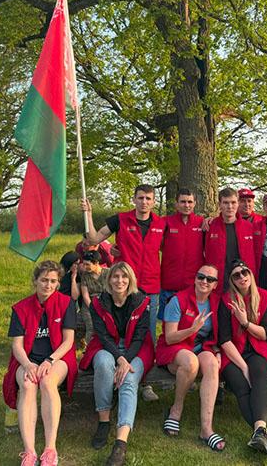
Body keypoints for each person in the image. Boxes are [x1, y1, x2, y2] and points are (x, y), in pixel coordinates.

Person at [82, 184, 166, 401]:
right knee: (118, 331)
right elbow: (94, 239)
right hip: (122, 286)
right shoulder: (119, 220)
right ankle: (114, 374)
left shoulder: (161, 223)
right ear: (134, 199)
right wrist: (88, 214)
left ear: (153, 201)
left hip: (150, 287)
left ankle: (144, 383)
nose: (144, 202)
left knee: (146, 336)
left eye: (148, 198)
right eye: (141, 198)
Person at [2, 260, 78, 466]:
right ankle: (29, 451)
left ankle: (50, 449)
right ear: (35, 281)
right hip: (28, 359)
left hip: (57, 357)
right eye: (44, 280)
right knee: (28, 385)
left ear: (58, 283)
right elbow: (17, 345)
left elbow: (68, 341)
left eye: (53, 281)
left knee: (47, 381)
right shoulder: (21, 308)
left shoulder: (66, 303)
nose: (48, 285)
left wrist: (49, 360)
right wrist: (28, 365)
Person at [79, 262, 154, 466]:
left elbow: (140, 336)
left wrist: (125, 360)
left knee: (128, 378)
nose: (120, 281)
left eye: (124, 276)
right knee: (104, 364)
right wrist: (119, 359)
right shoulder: (98, 303)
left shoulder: (142, 301)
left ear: (130, 280)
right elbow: (102, 336)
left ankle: (120, 443)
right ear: (108, 279)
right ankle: (104, 421)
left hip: (136, 348)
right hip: (107, 344)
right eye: (115, 276)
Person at [155, 265, 226, 451]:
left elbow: (217, 334)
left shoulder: (216, 302)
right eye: (201, 277)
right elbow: (170, 337)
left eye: (210, 279)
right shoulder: (177, 300)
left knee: (212, 364)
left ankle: (206, 429)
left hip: (200, 347)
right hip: (174, 348)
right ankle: (176, 409)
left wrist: (217, 350)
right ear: (195, 279)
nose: (204, 281)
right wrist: (192, 329)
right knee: (191, 363)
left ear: (215, 285)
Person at [218, 260, 267, 458]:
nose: (242, 277)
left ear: (251, 274)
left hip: (257, 349)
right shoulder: (226, 300)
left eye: (245, 272)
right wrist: (243, 367)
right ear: (232, 280)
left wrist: (245, 322)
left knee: (260, 375)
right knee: (241, 385)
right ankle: (265, 434)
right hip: (233, 353)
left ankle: (260, 431)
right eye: (236, 275)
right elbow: (224, 339)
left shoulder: (264, 297)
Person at [159, 188, 205, 324]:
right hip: (169, 284)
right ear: (176, 204)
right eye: (183, 202)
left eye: (190, 202)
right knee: (168, 324)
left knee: (190, 324)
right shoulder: (165, 222)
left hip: (193, 285)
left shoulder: (202, 223)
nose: (186, 205)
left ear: (195, 203)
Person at [204, 187, 257, 293]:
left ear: (238, 203)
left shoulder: (249, 227)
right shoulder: (210, 226)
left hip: (242, 283)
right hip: (218, 284)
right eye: (226, 203)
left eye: (233, 202)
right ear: (219, 204)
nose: (230, 206)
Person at [79, 251, 108, 344]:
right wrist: (93, 308)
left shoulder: (108, 273)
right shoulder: (85, 276)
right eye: (84, 264)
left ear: (96, 263)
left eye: (87, 264)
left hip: (105, 302)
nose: (85, 267)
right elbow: (85, 295)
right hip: (89, 304)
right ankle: (89, 347)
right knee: (91, 326)